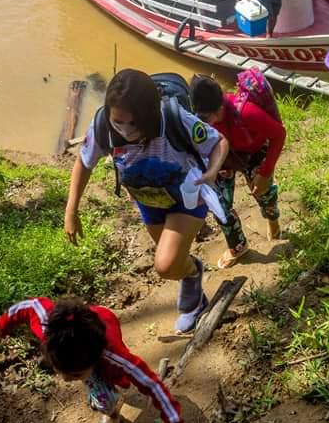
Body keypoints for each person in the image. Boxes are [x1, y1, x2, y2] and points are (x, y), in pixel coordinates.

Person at [64, 69, 229, 334]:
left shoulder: (175, 119)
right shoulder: (102, 126)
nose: (126, 131)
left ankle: (192, 281)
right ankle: (192, 281)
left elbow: (218, 142)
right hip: (148, 201)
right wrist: (71, 210)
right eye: (119, 122)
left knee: (164, 265)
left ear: (151, 114)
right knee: (175, 262)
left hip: (185, 198)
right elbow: (83, 162)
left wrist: (211, 172)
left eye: (135, 124)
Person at [0, 295, 189, 423]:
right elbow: (31, 305)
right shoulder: (50, 328)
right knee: (95, 380)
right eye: (63, 372)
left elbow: (152, 385)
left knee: (107, 393)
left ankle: (111, 414)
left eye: (76, 375)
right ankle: (98, 386)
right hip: (80, 323)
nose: (67, 380)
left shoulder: (115, 358)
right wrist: (3, 322)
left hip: (105, 323)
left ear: (95, 360)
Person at [190, 75, 286, 269]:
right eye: (200, 117)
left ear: (220, 108)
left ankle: (273, 223)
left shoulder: (247, 113)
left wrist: (265, 174)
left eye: (208, 117)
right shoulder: (200, 120)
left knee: (264, 194)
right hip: (223, 159)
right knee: (219, 205)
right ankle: (238, 246)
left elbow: (279, 134)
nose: (205, 122)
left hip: (253, 153)